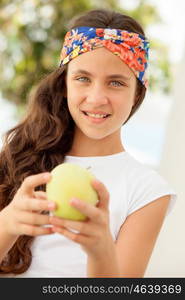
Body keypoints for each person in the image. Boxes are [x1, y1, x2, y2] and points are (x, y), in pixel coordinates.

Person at [0, 8, 176, 278]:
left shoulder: (148, 191)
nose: (96, 98)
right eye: (83, 78)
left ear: (138, 91)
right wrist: (8, 223)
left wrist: (99, 250)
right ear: (65, 84)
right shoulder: (17, 155)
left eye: (115, 83)